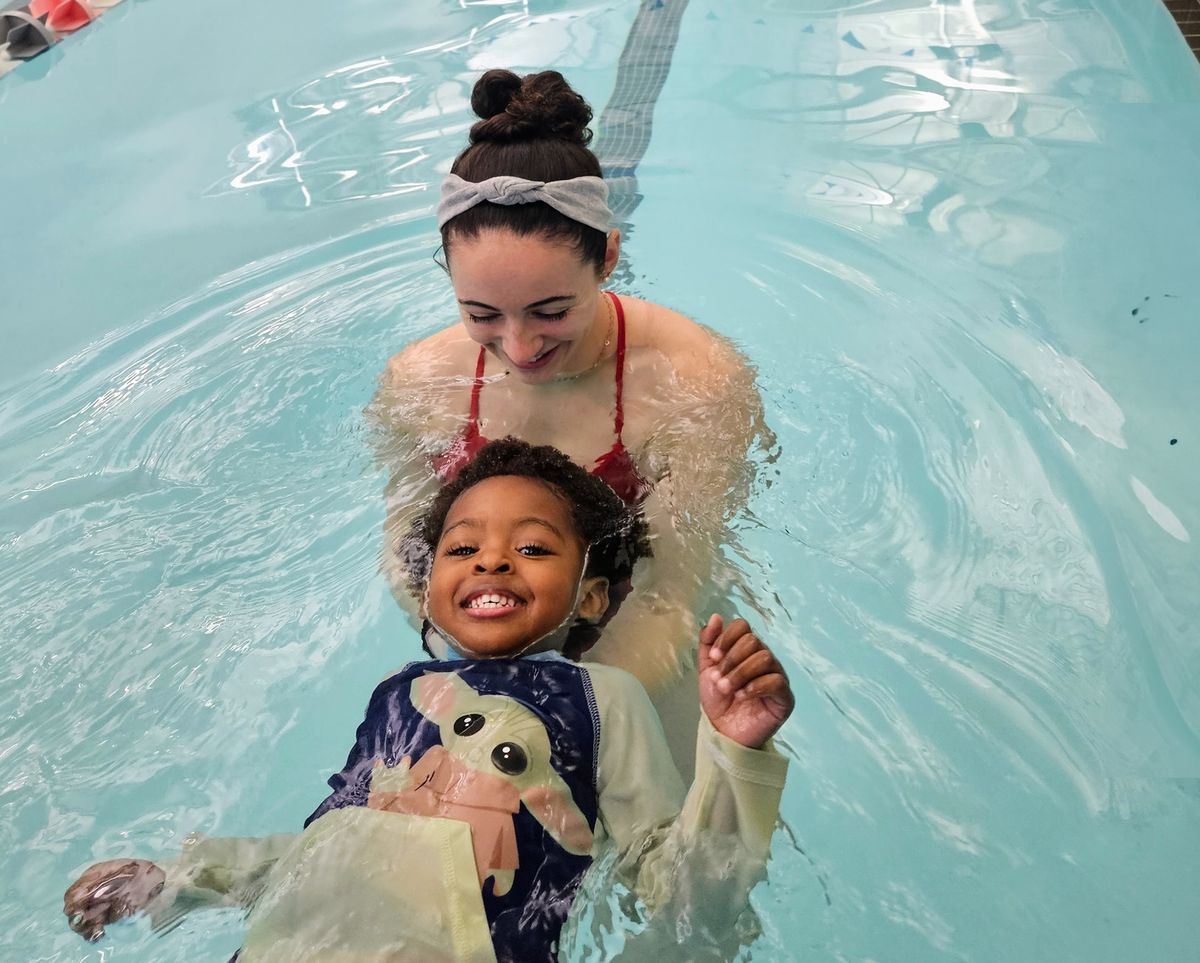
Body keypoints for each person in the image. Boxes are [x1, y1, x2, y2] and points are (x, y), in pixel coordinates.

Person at [64, 439, 793, 963]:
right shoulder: (396, 692)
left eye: (535, 548)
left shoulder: (601, 695)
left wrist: (734, 750)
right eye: (461, 547)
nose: (492, 558)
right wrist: (177, 878)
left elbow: (681, 892)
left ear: (593, 595)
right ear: (431, 587)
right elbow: (332, 850)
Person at [371, 68, 771, 696]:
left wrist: (576, 717)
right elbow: (410, 554)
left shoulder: (695, 382)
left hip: (635, 638)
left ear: (608, 257)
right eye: (480, 315)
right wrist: (470, 676)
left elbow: (670, 589)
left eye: (551, 312)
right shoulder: (422, 380)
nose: (519, 348)